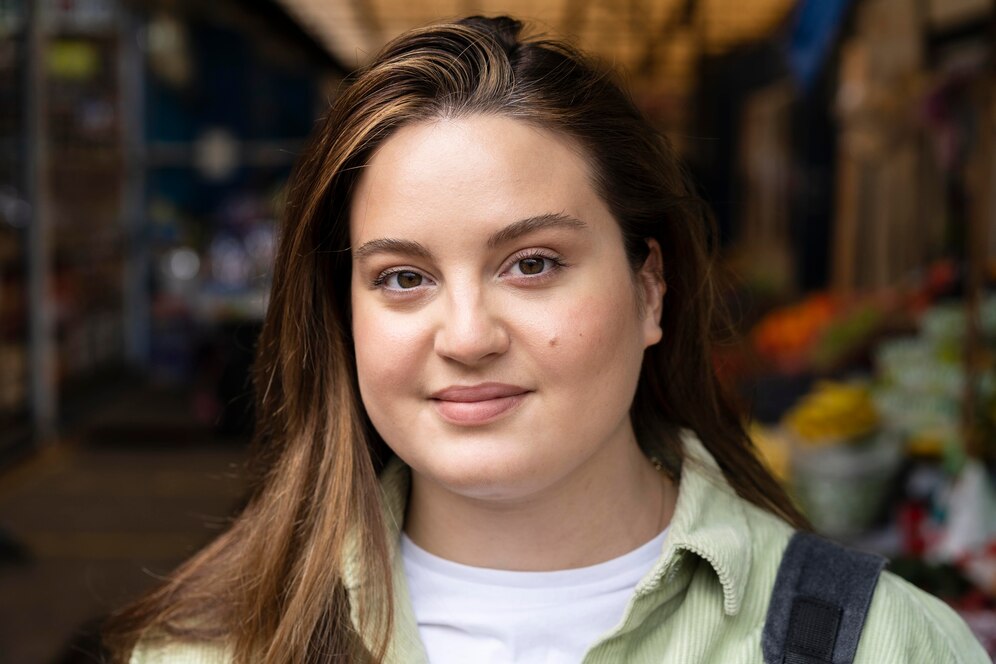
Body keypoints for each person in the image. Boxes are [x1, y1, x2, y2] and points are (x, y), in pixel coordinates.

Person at [106, 16, 988, 664]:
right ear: (344, 319)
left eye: (530, 263)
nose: (466, 336)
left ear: (650, 290)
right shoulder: (203, 651)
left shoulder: (885, 643)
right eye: (403, 278)